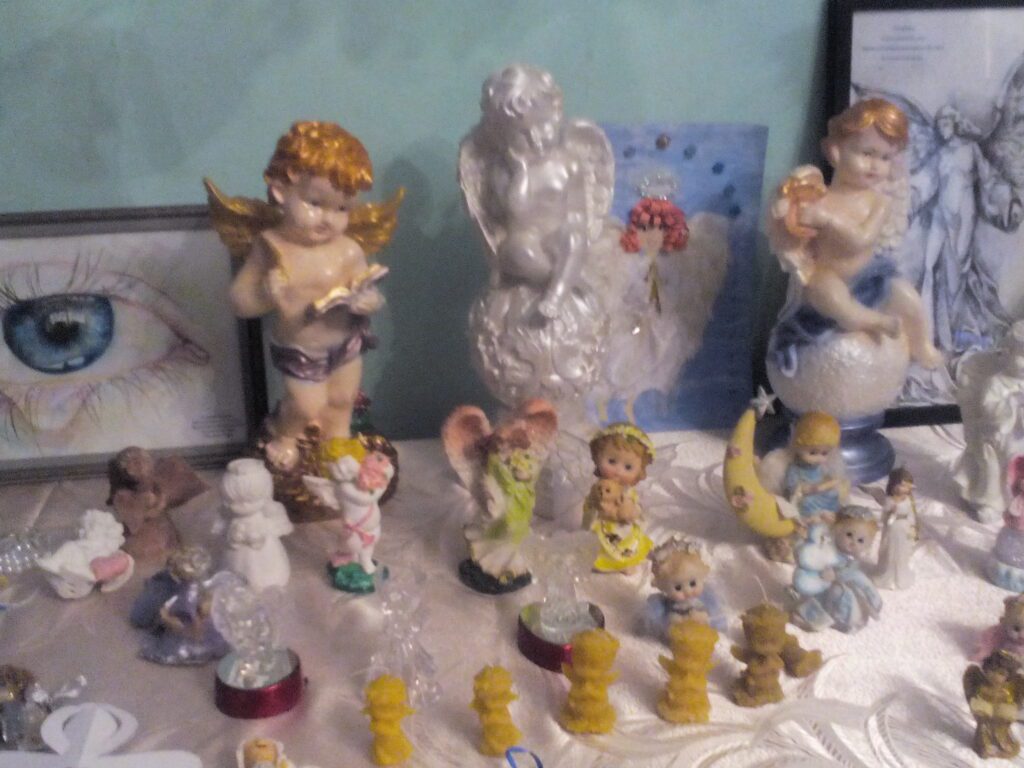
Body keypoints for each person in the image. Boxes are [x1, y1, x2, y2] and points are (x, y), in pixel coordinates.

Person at [223, 121, 400, 469]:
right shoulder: (271, 246)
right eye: (315, 203)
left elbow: (366, 286)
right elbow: (239, 301)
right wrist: (265, 293)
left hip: (346, 342)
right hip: (301, 350)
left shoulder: (348, 249)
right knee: (306, 404)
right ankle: (285, 435)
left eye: (342, 208)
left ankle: (337, 442)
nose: (328, 219)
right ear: (280, 191)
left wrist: (368, 301)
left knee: (343, 398)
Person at [769, 99, 942, 375]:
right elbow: (795, 229)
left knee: (907, 296)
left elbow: (862, 239)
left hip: (869, 275)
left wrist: (828, 220)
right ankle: (871, 321)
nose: (876, 165)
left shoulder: (878, 202)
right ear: (835, 152)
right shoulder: (820, 198)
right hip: (829, 275)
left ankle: (922, 345)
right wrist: (788, 212)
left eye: (885, 158)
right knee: (823, 291)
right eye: (867, 153)